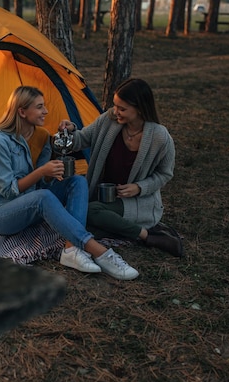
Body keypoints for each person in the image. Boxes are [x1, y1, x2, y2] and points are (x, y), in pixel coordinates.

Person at [0, 86, 139, 280]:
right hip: (0, 214)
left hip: (31, 205)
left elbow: (43, 182)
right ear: (22, 111)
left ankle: (71, 249)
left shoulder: (41, 136)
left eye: (44, 106)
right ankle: (99, 251)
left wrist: (64, 138)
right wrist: (41, 171)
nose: (46, 111)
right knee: (43, 197)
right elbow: (8, 191)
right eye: (39, 107)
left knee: (77, 181)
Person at [58, 78, 183, 257]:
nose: (115, 111)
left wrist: (139, 187)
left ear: (139, 108)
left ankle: (148, 236)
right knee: (77, 217)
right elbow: (81, 139)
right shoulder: (109, 121)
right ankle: (123, 229)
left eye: (122, 108)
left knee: (88, 214)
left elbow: (165, 173)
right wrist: (68, 132)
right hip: (102, 195)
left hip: (136, 202)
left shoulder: (160, 137)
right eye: (115, 105)